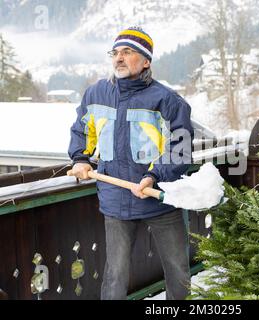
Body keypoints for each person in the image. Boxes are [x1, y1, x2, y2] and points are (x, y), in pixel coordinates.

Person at [68, 26, 194, 300]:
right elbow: (82, 131)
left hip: (160, 199)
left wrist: (154, 176)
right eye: (115, 52)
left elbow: (180, 149)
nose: (119, 58)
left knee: (178, 271)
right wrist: (80, 157)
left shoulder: (168, 101)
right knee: (115, 274)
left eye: (128, 52)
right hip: (116, 199)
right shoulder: (96, 94)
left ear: (146, 61)